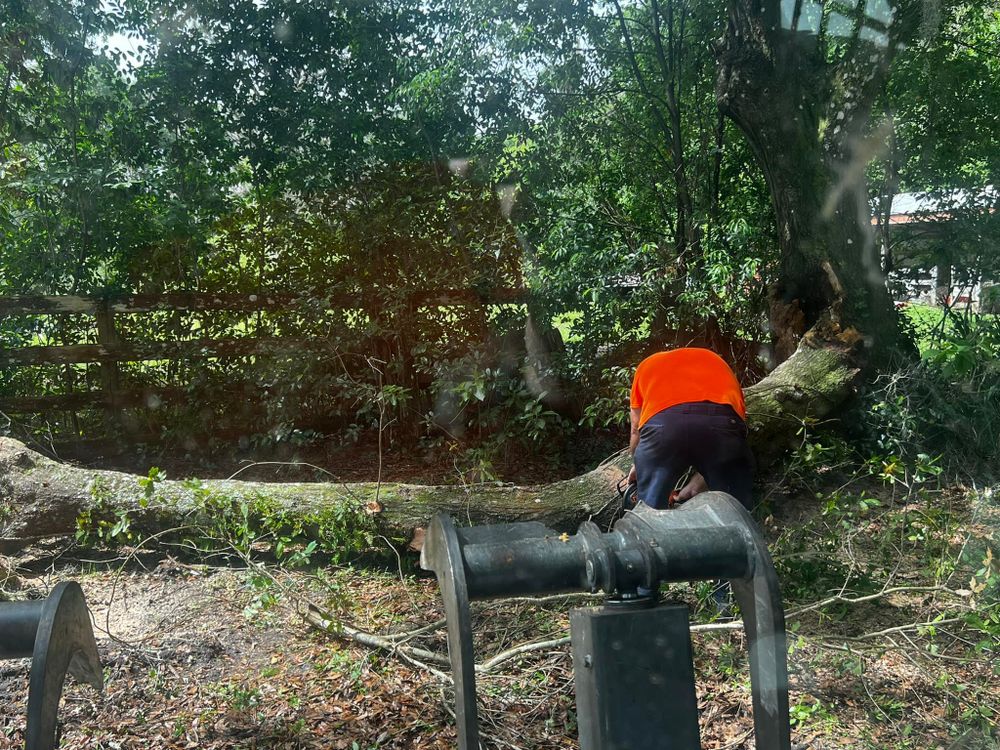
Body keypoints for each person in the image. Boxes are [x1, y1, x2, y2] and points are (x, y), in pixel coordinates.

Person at [626, 347, 753, 511]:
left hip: (663, 427)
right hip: (722, 420)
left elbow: (636, 429)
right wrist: (701, 481)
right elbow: (729, 435)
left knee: (650, 511)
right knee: (736, 507)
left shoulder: (646, 366)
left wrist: (641, 464)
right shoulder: (714, 359)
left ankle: (649, 529)